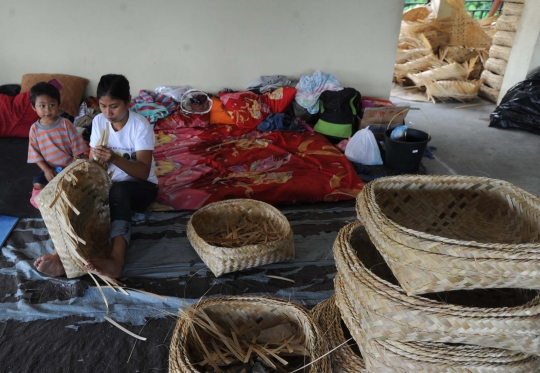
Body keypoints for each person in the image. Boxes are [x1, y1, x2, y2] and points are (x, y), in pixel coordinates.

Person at [86, 74, 158, 278]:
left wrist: (115, 159)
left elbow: (143, 172)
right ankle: (64, 256)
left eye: (114, 106)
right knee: (76, 192)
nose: (108, 113)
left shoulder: (140, 126)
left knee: (118, 191)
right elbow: (94, 161)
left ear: (128, 101)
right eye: (102, 106)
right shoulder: (99, 121)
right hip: (108, 185)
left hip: (140, 188)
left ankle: (117, 260)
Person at [28, 82, 88, 205]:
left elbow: (78, 145)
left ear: (58, 105)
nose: (48, 110)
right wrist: (46, 170)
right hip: (50, 168)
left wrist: (77, 159)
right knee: (38, 183)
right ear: (34, 107)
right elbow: (35, 154)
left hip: (69, 166)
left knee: (75, 186)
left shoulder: (65, 124)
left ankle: (65, 200)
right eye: (42, 106)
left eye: (52, 104)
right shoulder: (34, 129)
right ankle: (46, 204)